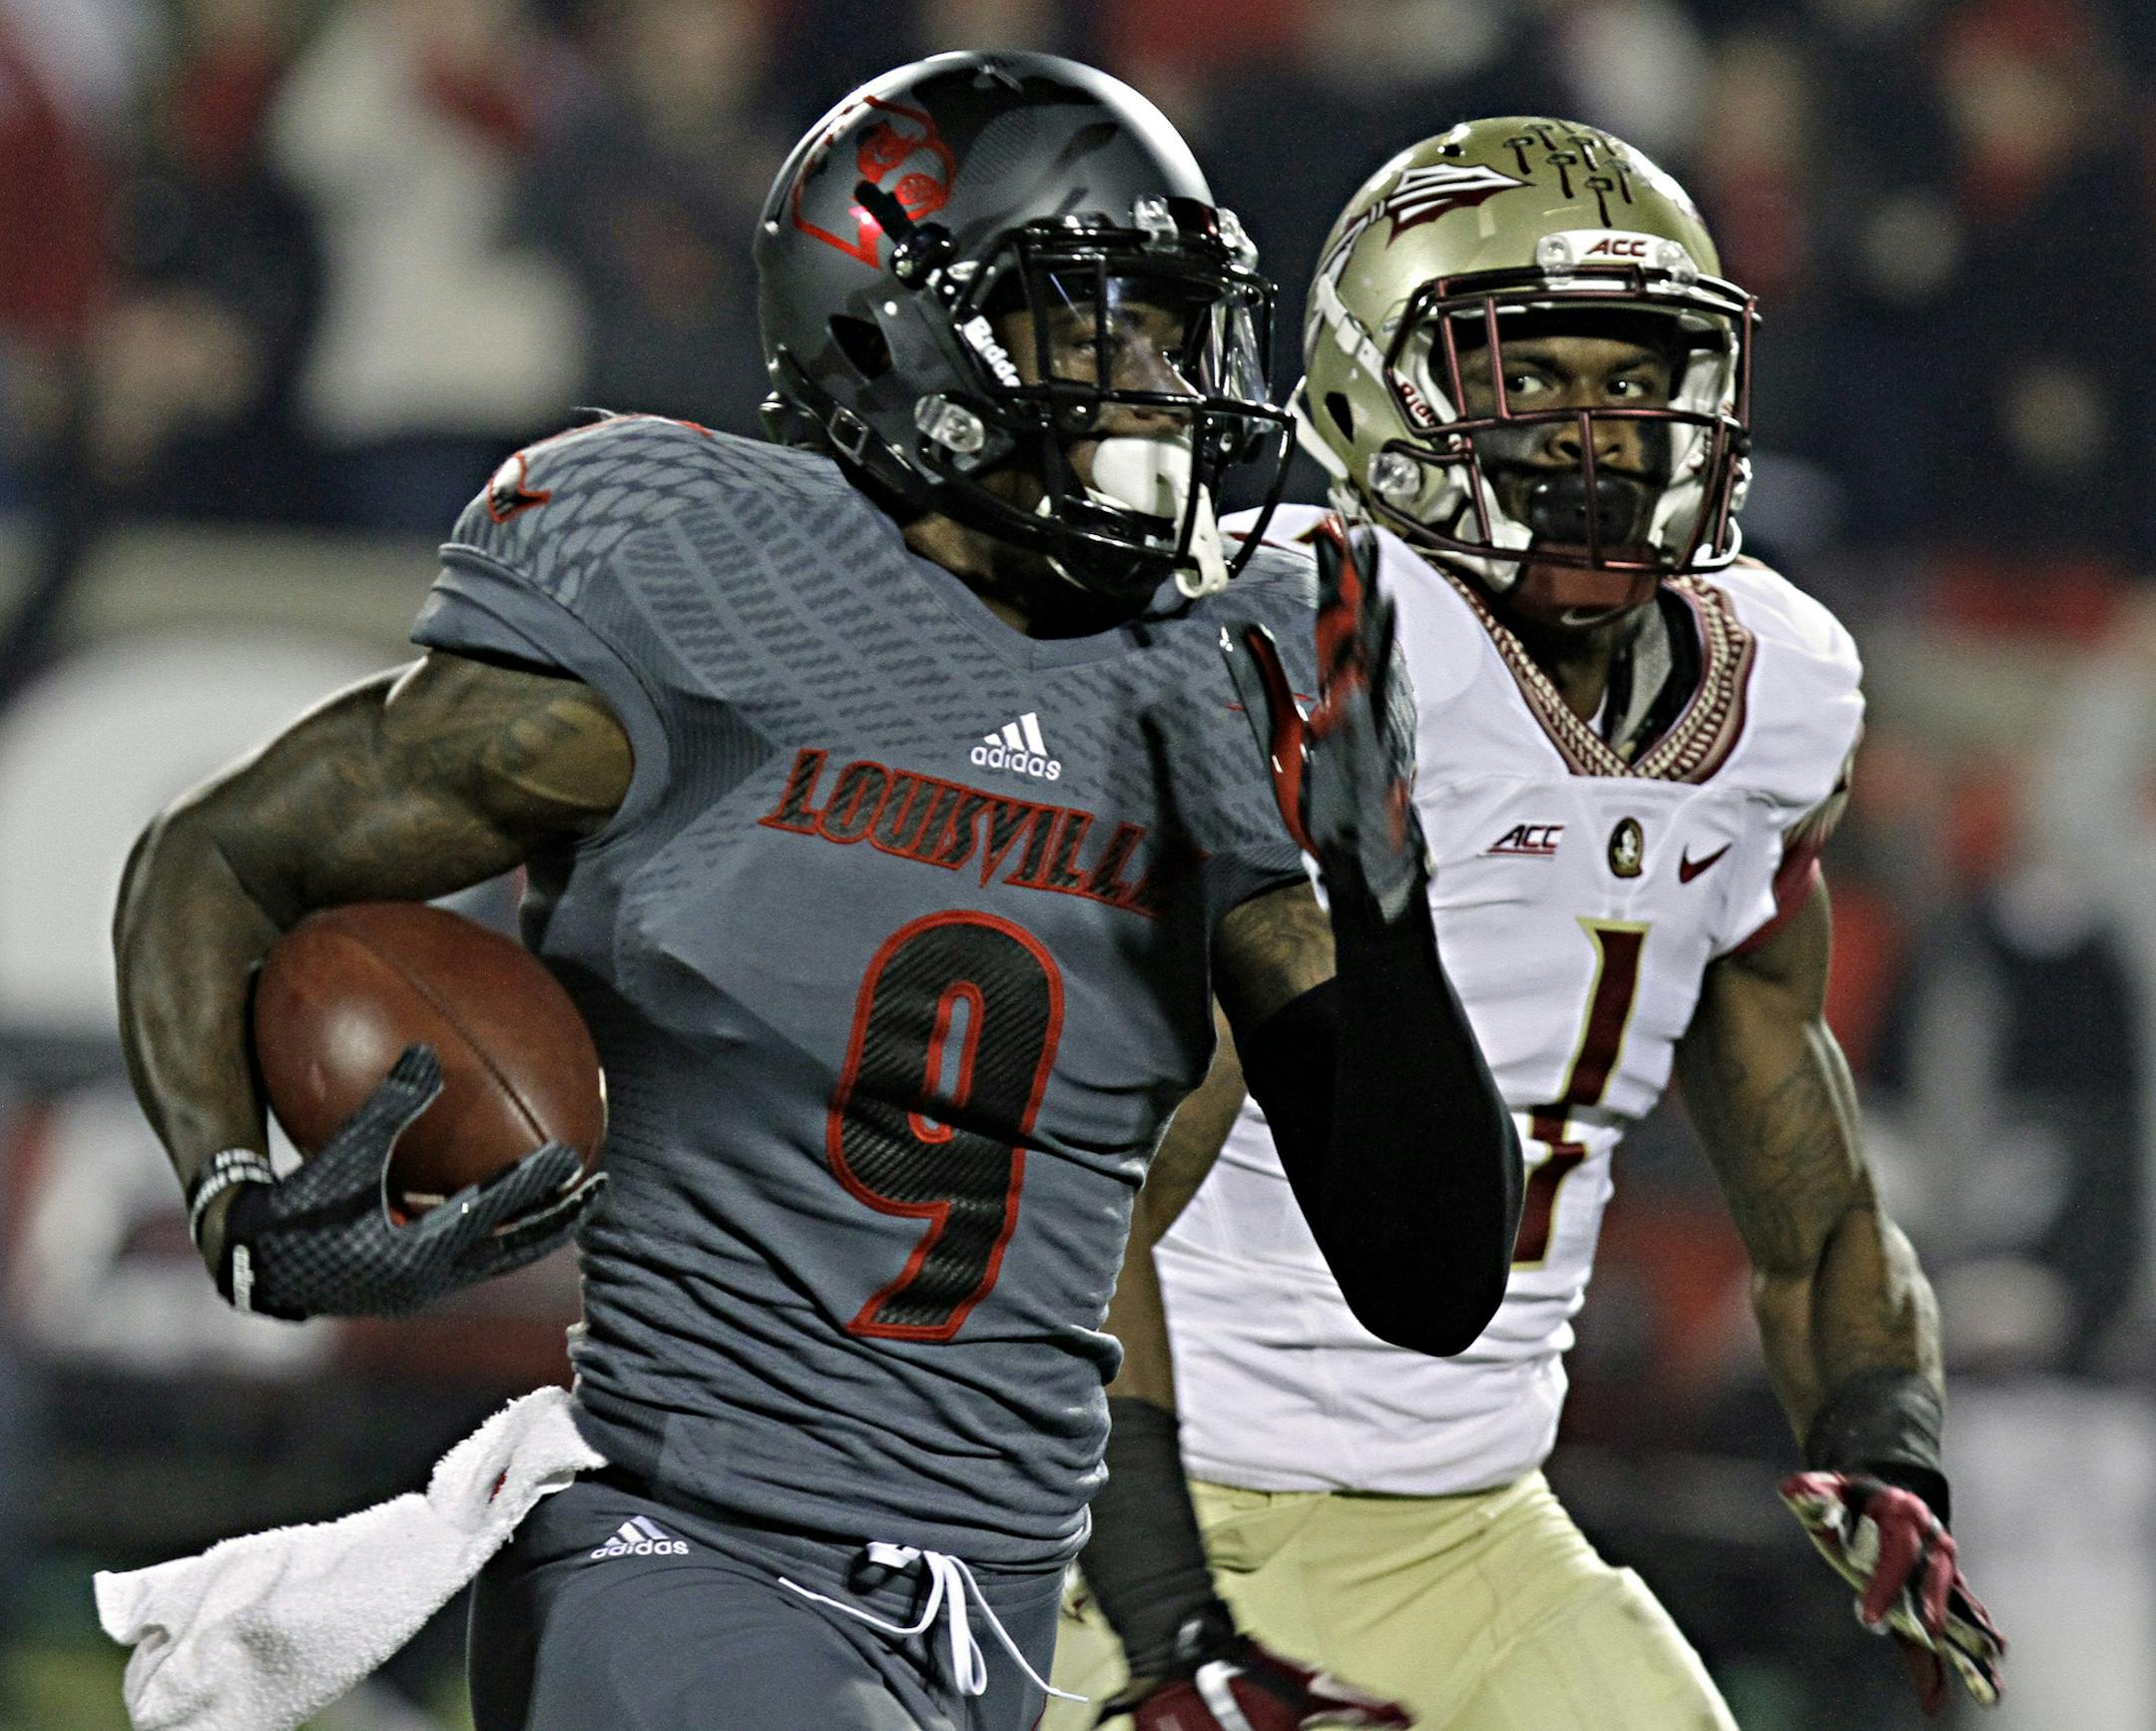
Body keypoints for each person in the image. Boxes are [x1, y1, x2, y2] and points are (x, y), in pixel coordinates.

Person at [110, 56, 1523, 1731]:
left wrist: (1384, 899)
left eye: (1170, 329)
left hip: (992, 1605)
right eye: (1093, 330)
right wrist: (238, 1208)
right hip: (677, 1547)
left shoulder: (1226, 664)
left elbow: (1430, 1276)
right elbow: (220, 856)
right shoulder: (702, 578)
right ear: (896, 332)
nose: (1156, 387)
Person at [1050, 118, 2006, 1730]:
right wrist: (1162, 1618)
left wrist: (1883, 1439)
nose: (1599, 432)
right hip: (1134, 1496)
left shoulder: (1776, 690)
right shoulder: (1297, 636)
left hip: (1470, 1519)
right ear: (1381, 387)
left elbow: (1815, 1196)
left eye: (1636, 381)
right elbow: (1087, 1208)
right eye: (1530, 375)